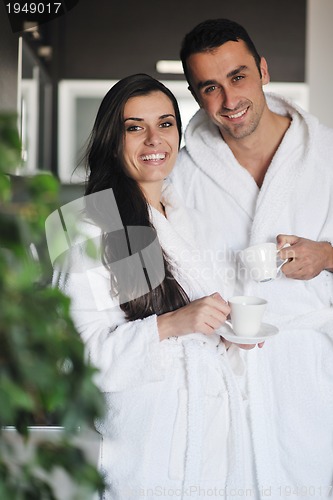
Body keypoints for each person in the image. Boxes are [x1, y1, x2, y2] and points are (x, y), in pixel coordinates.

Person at [52, 74, 257, 499]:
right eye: (134, 128)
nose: (153, 140)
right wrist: (171, 324)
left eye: (165, 124)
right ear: (113, 140)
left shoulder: (192, 222)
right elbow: (77, 361)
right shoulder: (87, 227)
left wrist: (228, 335)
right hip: (144, 456)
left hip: (212, 445)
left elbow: (199, 328)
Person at [171, 18, 333, 499]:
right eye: (211, 88)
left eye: (238, 76)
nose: (229, 100)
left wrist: (326, 255)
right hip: (222, 375)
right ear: (197, 97)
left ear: (263, 70)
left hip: (307, 376)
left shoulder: (325, 155)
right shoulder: (182, 172)